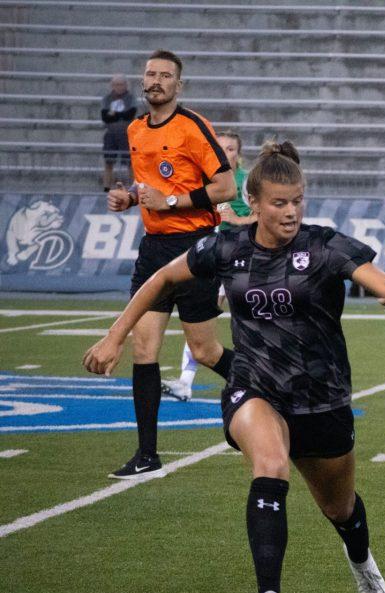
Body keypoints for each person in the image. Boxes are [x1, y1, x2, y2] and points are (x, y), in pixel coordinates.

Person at [85, 141, 385, 593]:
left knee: (340, 508)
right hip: (255, 387)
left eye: (297, 201)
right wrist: (115, 336)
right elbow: (161, 279)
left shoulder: (323, 245)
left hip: (322, 398)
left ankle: (362, 561)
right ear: (255, 204)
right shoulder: (225, 248)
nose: (290, 211)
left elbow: (374, 276)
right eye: (279, 203)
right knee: (269, 465)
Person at [105, 49, 237, 478]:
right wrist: (129, 197)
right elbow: (149, 184)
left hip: (195, 247)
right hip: (154, 248)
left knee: (204, 349)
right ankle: (147, 454)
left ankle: (262, 382)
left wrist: (172, 201)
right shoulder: (135, 129)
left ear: (179, 85)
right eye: (150, 74)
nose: (156, 80)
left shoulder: (193, 127)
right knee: (144, 350)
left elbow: (225, 186)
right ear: (143, 82)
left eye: (165, 75)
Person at [162, 130, 253, 402]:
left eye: (231, 148)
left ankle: (254, 375)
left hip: (244, 255)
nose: (226, 152)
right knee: (201, 323)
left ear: (239, 152)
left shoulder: (246, 181)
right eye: (221, 148)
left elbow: (259, 219)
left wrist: (237, 220)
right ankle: (185, 382)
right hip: (217, 255)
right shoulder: (211, 180)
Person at [101, 74, 137, 190]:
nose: (119, 87)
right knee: (108, 161)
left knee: (130, 162)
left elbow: (130, 115)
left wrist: (114, 114)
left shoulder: (131, 98)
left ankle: (132, 186)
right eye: (116, 84)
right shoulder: (107, 99)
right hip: (111, 133)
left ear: (126, 85)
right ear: (112, 86)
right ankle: (107, 186)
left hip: (126, 134)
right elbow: (105, 117)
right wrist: (121, 115)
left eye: (121, 84)